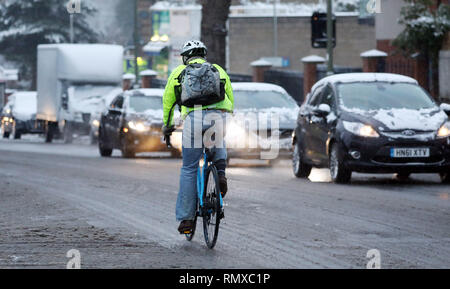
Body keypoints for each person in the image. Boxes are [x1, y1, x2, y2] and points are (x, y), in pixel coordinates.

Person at [162, 40, 234, 234]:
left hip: (194, 118)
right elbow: (229, 95)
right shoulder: (217, 69)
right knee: (218, 139)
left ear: (186, 57)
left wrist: (167, 127)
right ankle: (220, 173)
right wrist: (229, 113)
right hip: (216, 116)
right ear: (203, 55)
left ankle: (186, 219)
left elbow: (168, 103)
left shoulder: (179, 73)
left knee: (189, 168)